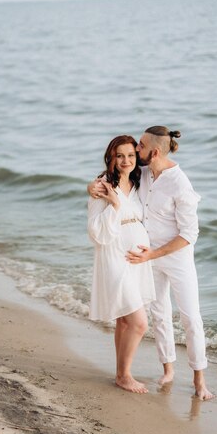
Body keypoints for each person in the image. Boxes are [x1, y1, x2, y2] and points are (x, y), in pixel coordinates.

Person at [89, 126, 214, 400]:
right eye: (131, 151)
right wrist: (92, 187)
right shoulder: (142, 175)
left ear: (152, 152)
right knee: (155, 316)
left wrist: (152, 255)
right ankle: (165, 369)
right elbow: (111, 181)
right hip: (138, 257)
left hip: (171, 258)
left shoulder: (179, 184)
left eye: (139, 149)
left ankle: (199, 380)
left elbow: (189, 235)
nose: (134, 154)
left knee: (190, 317)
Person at [88, 135, 155, 393]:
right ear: (111, 158)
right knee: (139, 323)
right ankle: (125, 376)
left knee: (124, 322)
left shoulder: (139, 182)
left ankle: (119, 373)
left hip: (137, 257)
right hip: (115, 255)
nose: (125, 161)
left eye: (130, 155)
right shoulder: (103, 186)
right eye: (120, 156)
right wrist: (114, 205)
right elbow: (95, 230)